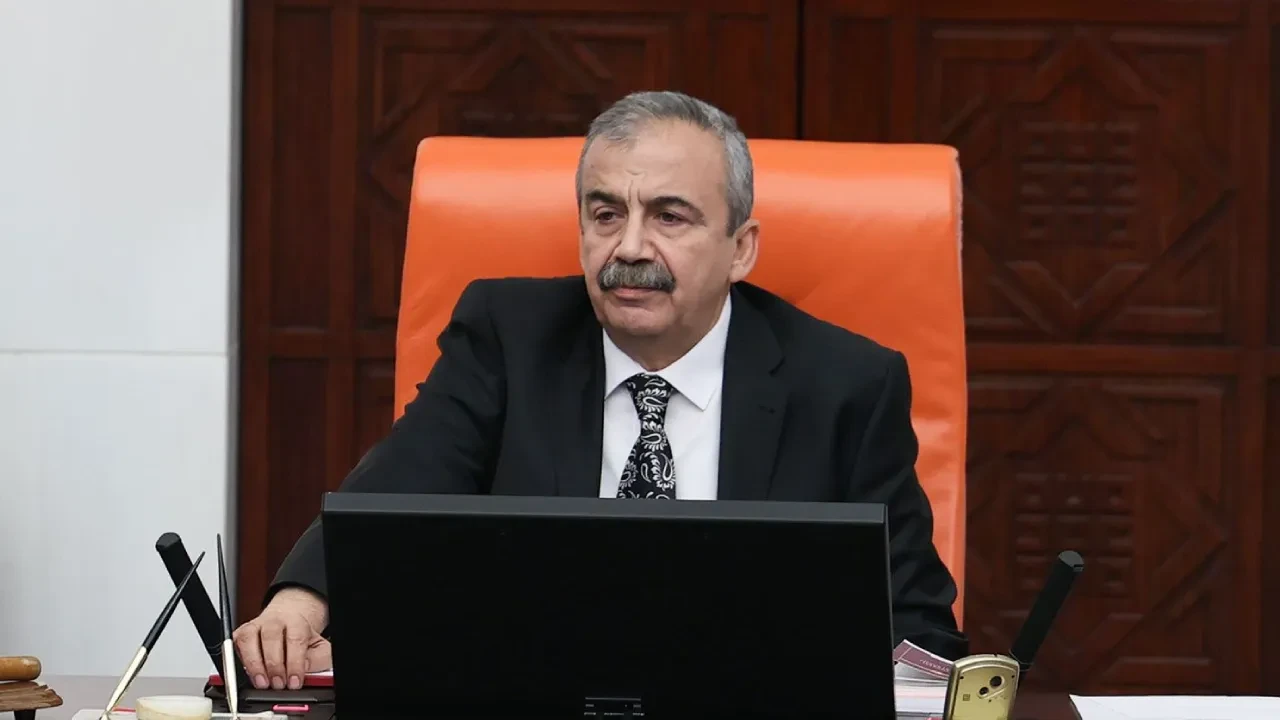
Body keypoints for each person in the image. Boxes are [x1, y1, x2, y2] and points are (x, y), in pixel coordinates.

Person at [233, 90, 967, 691]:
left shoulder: (846, 385)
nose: (630, 248)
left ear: (741, 249)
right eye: (606, 213)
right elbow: (396, 493)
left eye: (669, 216)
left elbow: (916, 628)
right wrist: (304, 599)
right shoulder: (508, 339)